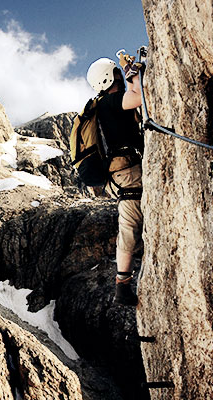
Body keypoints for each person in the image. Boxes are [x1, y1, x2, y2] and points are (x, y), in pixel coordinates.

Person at [86, 55, 144, 306]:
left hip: (120, 173)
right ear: (111, 77)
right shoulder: (110, 102)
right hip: (129, 172)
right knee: (131, 225)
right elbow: (140, 98)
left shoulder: (103, 105)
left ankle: (123, 284)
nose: (120, 76)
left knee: (129, 225)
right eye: (117, 73)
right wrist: (132, 73)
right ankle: (122, 286)